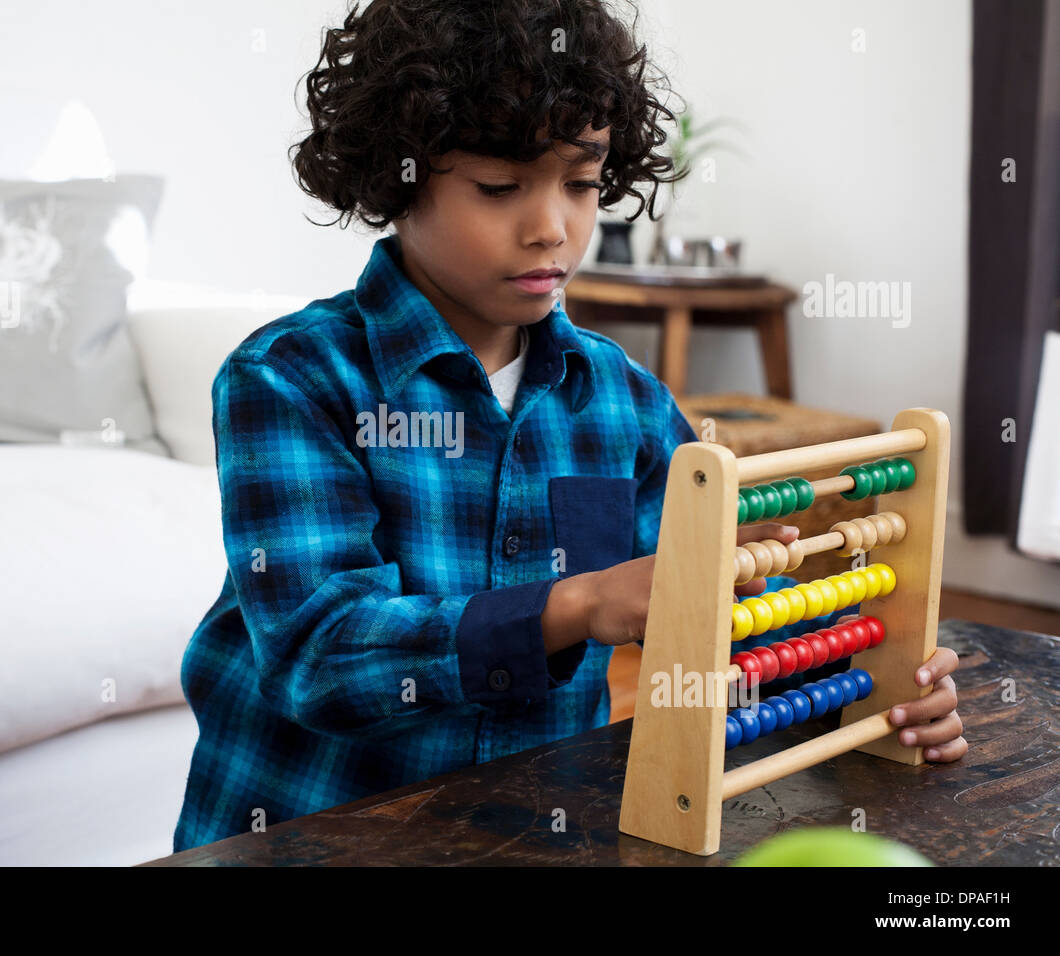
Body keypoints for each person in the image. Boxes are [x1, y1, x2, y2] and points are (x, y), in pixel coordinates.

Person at [173, 0, 965, 852]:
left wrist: (870, 674)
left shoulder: (623, 401)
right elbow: (321, 658)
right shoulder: (290, 378)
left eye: (582, 183)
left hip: (534, 838)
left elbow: (710, 609)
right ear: (396, 180)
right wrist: (579, 603)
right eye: (499, 187)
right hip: (309, 840)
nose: (552, 228)